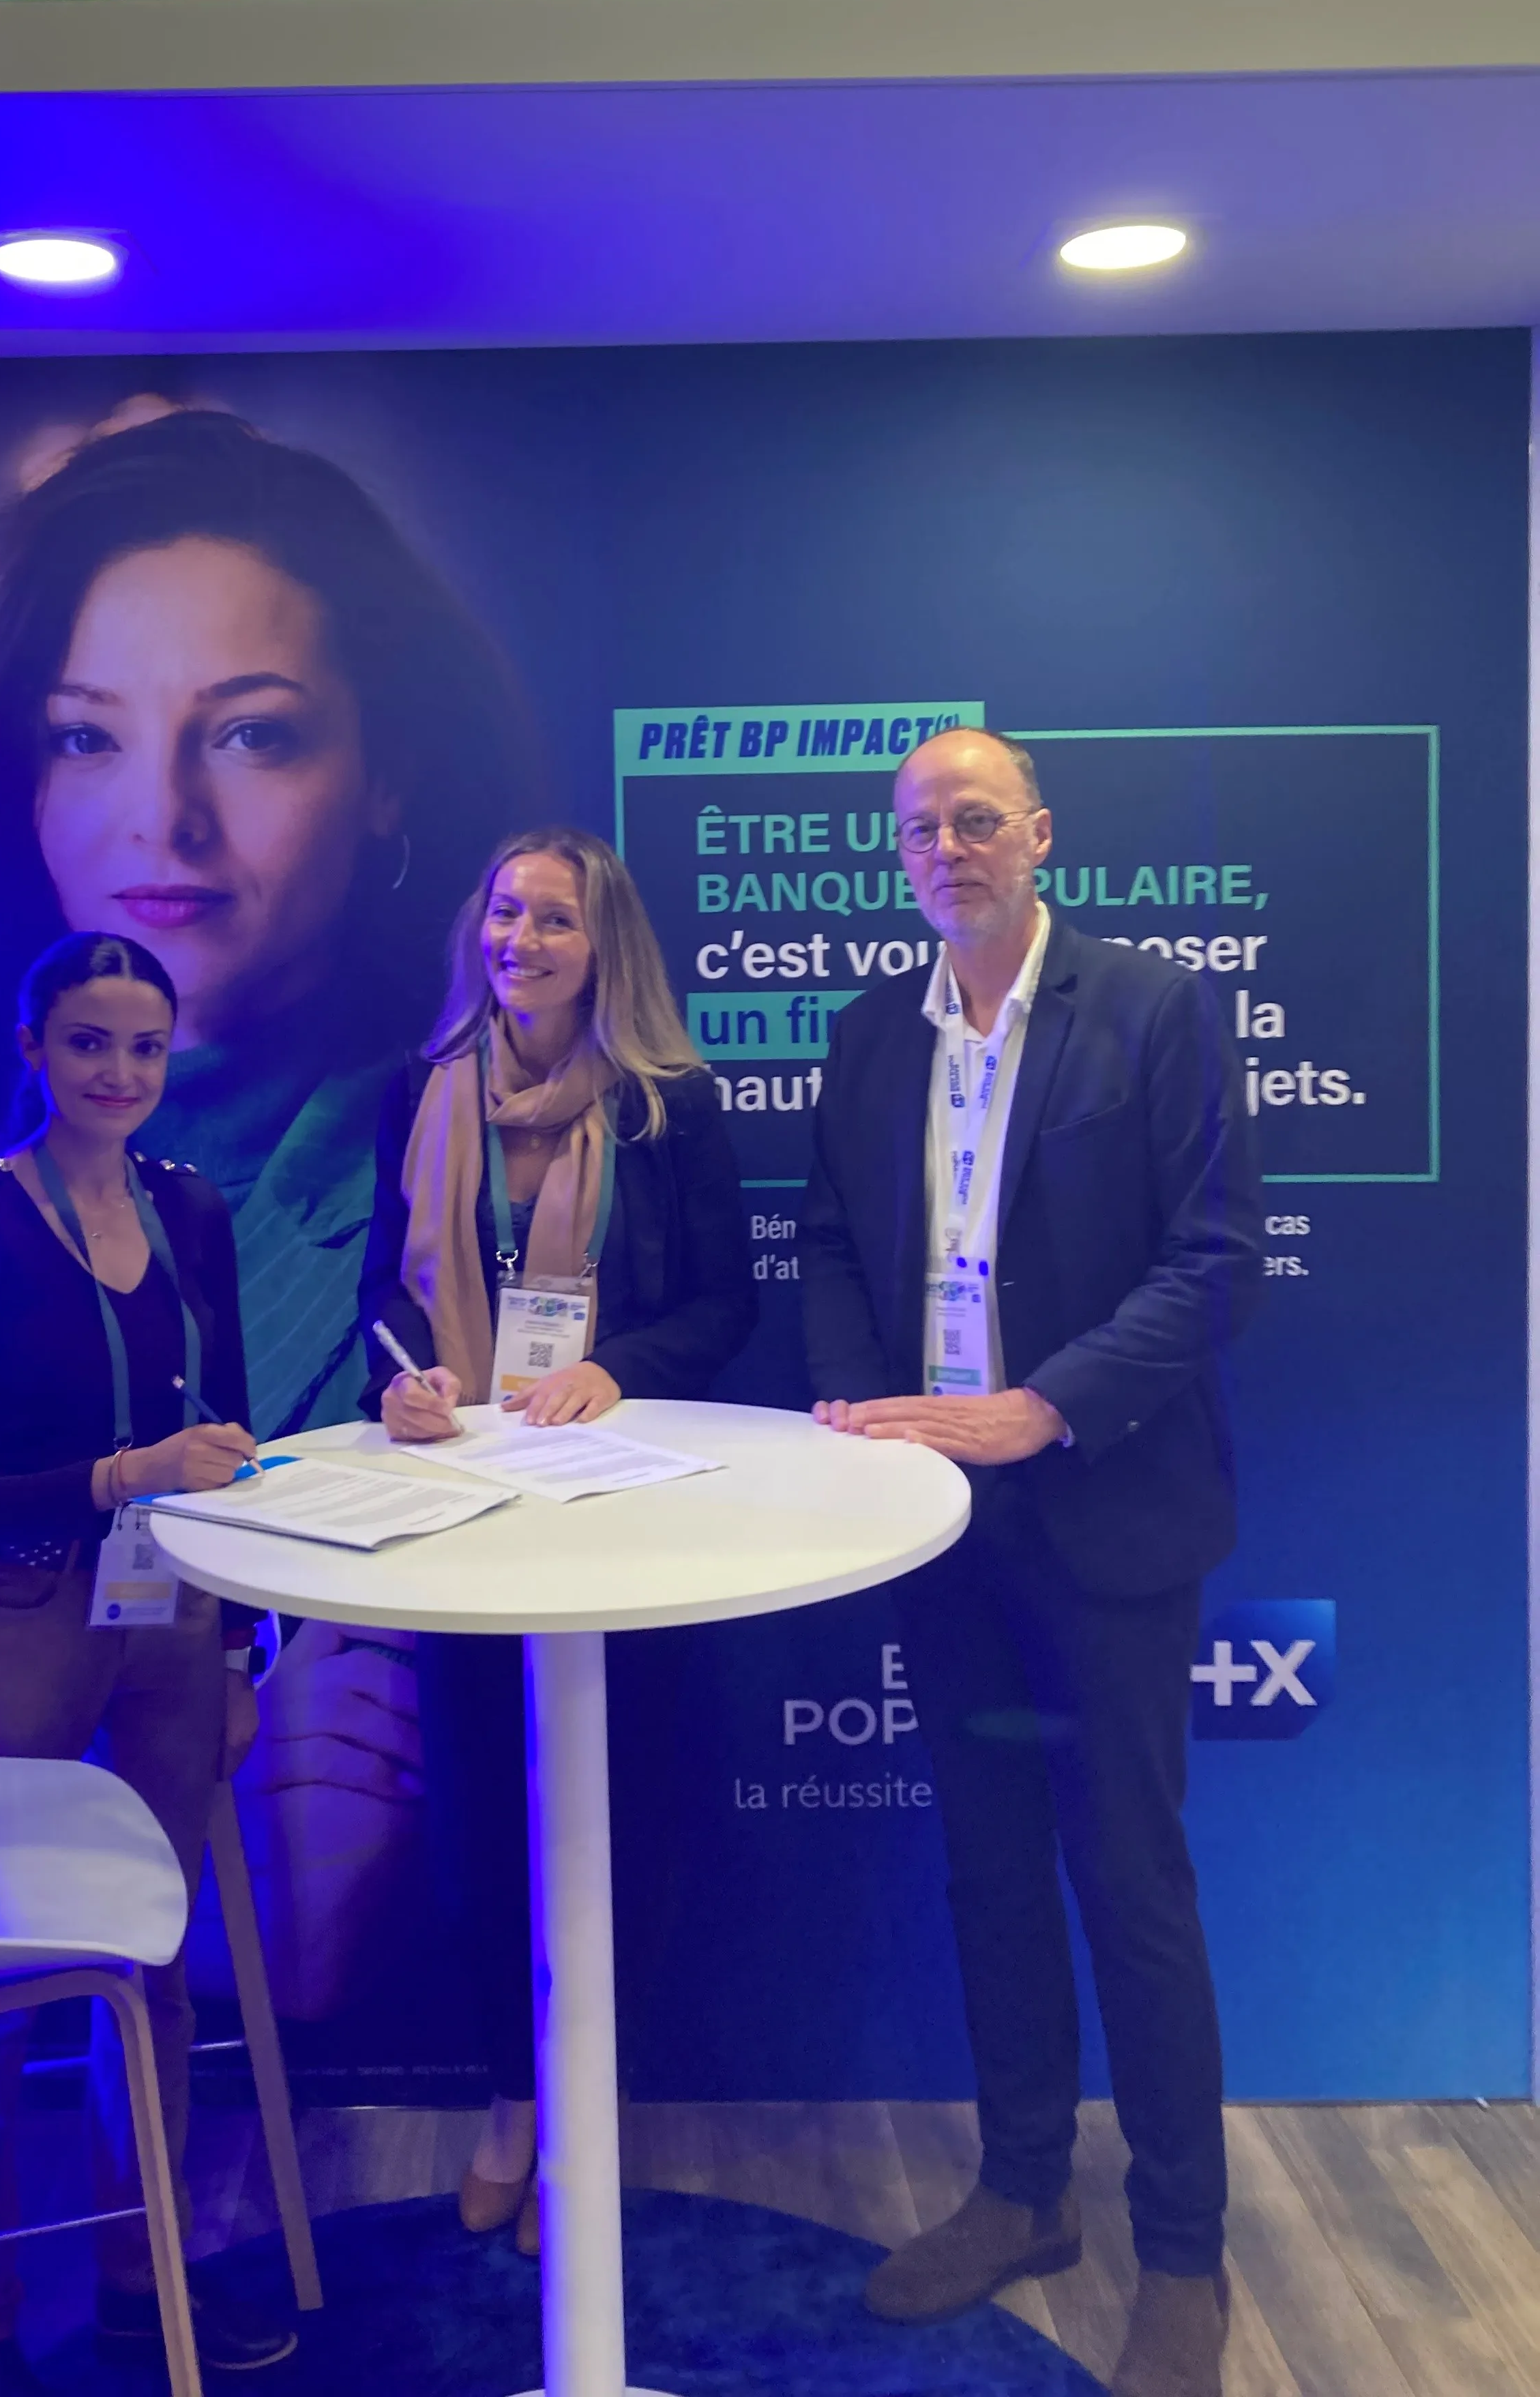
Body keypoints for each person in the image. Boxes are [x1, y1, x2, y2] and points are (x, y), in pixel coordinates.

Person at [799, 729, 1262, 2397]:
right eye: (920, 826)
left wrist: (1037, 1411)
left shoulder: (1150, 1007)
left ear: (1040, 837)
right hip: (937, 1531)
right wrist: (861, 1411)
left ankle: (1187, 2258)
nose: (948, 845)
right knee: (989, 1868)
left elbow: (1216, 1268)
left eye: (976, 818)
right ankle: (1020, 2195)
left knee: (1130, 1887)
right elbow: (838, 1245)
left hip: (1106, 1516)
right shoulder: (871, 1035)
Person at [0, 400, 539, 1441]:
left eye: (252, 734)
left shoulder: (457, 1149)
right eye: (84, 738)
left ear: (388, 775)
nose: (164, 819)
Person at [356, 827, 756, 2252]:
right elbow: (375, 1300)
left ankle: (590, 2112)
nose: (520, 939)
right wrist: (397, 1380)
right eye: (505, 911)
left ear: (607, 950)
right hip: (461, 1518)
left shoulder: (672, 1107)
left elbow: (729, 1308)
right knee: (477, 1829)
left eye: (554, 921)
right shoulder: (424, 1088)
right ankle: (508, 2109)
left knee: (614, 1824)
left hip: (618, 1516)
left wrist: (620, 1364)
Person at [0, 931, 294, 2389]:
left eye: (143, 1045)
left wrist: (246, 1647)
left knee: (158, 1963)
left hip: (179, 1615)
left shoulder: (192, 1206)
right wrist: (120, 1472)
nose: (119, 1072)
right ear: (33, 1052)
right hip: (15, 1616)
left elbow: (239, 1437)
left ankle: (149, 2289)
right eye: (88, 1043)